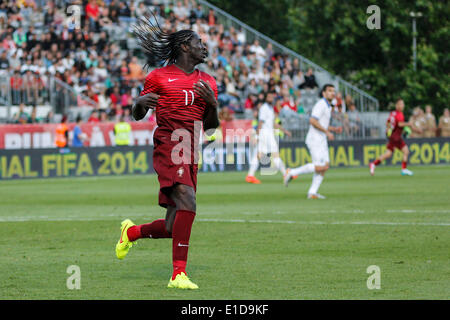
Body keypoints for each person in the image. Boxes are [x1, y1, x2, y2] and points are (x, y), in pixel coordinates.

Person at [116, 16, 219, 290]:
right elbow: (139, 115)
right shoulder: (158, 77)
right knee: (188, 199)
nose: (204, 47)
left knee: (174, 225)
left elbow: (211, 126)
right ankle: (178, 274)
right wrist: (138, 103)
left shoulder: (208, 81)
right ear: (185, 46)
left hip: (191, 147)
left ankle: (132, 232)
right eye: (199, 42)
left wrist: (213, 105)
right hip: (169, 144)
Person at [284, 84, 343, 199]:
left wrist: (333, 129)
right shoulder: (321, 104)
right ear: (324, 93)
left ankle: (312, 192)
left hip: (321, 139)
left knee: (325, 166)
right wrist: (327, 132)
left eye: (333, 91)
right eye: (330, 91)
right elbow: (312, 121)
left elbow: (322, 124)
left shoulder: (327, 106)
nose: (332, 93)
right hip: (315, 139)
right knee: (320, 166)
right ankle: (291, 172)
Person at [246, 91, 291, 184]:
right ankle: (285, 173)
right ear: (266, 98)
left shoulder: (270, 108)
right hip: (265, 134)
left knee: (259, 155)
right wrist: (257, 136)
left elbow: (272, 123)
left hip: (267, 133)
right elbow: (260, 123)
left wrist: (284, 130)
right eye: (269, 97)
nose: (271, 98)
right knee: (274, 154)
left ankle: (250, 175)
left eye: (272, 97)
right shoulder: (264, 108)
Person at [369, 99, 414, 176]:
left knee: (388, 154)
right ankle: (404, 169)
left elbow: (388, 123)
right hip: (396, 137)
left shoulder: (392, 113)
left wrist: (389, 131)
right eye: (401, 104)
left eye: (403, 104)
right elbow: (399, 124)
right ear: (397, 105)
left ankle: (373, 164)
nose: (402, 106)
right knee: (406, 151)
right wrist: (408, 124)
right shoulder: (399, 114)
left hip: (392, 136)